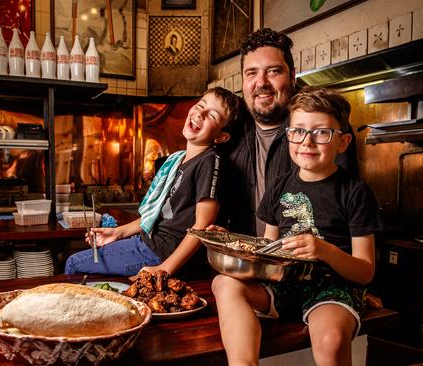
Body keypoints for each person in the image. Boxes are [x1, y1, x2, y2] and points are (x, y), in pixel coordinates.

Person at [211, 86, 381, 366]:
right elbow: (269, 248)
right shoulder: (279, 186)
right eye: (298, 131)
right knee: (224, 283)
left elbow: (365, 271)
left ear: (343, 142)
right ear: (289, 134)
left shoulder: (355, 192)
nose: (307, 142)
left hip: (330, 290)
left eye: (322, 132)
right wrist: (230, 241)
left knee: (330, 340)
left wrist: (324, 251)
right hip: (282, 285)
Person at [65, 87, 239, 277]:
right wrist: (117, 233)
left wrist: (164, 269)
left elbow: (202, 227)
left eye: (212, 116)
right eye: (200, 105)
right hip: (148, 243)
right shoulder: (177, 160)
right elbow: (156, 215)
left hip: (160, 252)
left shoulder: (209, 162)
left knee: (74, 263)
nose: (201, 114)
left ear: (221, 137)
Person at [218, 28, 358, 237]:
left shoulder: (324, 133)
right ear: (243, 80)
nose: (262, 82)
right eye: (252, 73)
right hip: (245, 262)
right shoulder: (231, 128)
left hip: (302, 265)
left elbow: (339, 215)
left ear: (292, 76)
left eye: (273, 71)